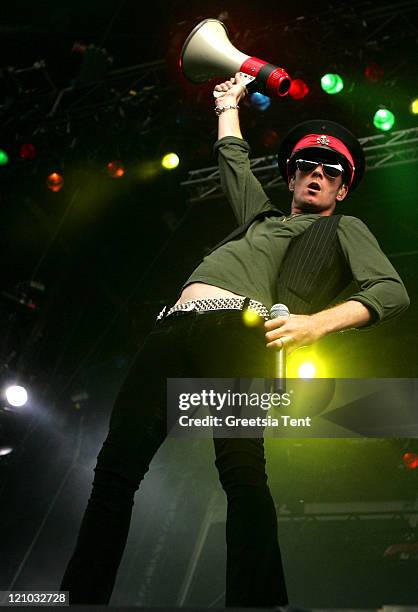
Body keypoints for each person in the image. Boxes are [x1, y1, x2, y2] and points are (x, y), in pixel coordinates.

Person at [60, 72, 410, 607]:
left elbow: (390, 290)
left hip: (238, 332)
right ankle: (79, 597)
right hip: (172, 328)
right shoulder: (261, 218)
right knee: (114, 470)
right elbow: (233, 161)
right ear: (290, 178)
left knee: (241, 467)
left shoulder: (344, 229)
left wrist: (315, 324)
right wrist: (227, 103)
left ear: (342, 188)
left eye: (330, 170)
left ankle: (255, 601)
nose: (316, 173)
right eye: (306, 166)